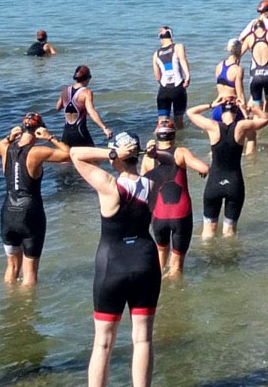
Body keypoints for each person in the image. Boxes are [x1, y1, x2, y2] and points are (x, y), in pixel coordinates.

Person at [70, 132, 164, 387]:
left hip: (112, 265)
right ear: (137, 156)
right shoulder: (152, 183)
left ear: (118, 157)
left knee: (103, 342)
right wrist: (154, 155)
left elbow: (75, 154)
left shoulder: (109, 186)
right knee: (143, 339)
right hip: (145, 262)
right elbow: (172, 163)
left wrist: (110, 153)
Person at [0, 113, 71, 285]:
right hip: (30, 213)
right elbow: (67, 154)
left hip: (8, 213)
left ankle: (10, 305)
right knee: (29, 273)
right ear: (39, 130)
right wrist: (50, 137)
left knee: (12, 268)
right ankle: (26, 310)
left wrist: (10, 136)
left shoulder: (5, 148)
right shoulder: (37, 152)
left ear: (22, 129)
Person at [187, 97, 268, 238]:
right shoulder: (241, 126)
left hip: (214, 184)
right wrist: (250, 108)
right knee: (229, 233)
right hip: (234, 184)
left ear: (220, 111)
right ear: (236, 110)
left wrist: (211, 104)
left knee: (208, 233)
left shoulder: (213, 126)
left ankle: (208, 259)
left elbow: (190, 112)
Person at [140, 119, 208, 277]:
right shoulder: (181, 153)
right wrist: (202, 170)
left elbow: (143, 186)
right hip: (181, 214)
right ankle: (175, 295)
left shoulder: (148, 158)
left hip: (159, 215)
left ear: (157, 136)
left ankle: (158, 292)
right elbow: (204, 168)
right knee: (177, 263)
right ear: (174, 136)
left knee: (160, 254)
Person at [56, 65, 112, 147]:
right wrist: (104, 128)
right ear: (88, 78)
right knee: (92, 158)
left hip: (66, 133)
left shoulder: (65, 90)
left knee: (68, 158)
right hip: (80, 132)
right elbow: (91, 111)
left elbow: (58, 107)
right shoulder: (86, 92)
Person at [152, 27, 191, 129]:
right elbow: (183, 61)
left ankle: (160, 140)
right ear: (171, 36)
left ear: (160, 38)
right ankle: (180, 140)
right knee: (178, 119)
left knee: (162, 120)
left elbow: (157, 77)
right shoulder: (178, 47)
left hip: (164, 90)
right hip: (178, 88)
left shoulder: (156, 54)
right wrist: (187, 76)